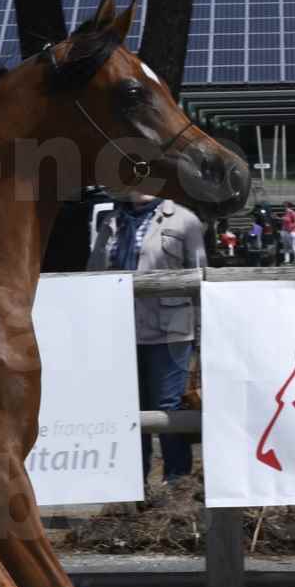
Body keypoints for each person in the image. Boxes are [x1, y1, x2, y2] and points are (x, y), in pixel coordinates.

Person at [89, 193, 208, 492]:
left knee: (169, 406)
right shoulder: (110, 222)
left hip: (171, 332)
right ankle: (133, 485)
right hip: (120, 330)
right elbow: (92, 274)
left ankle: (176, 484)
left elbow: (200, 278)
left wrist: (203, 335)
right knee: (128, 408)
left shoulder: (185, 219)